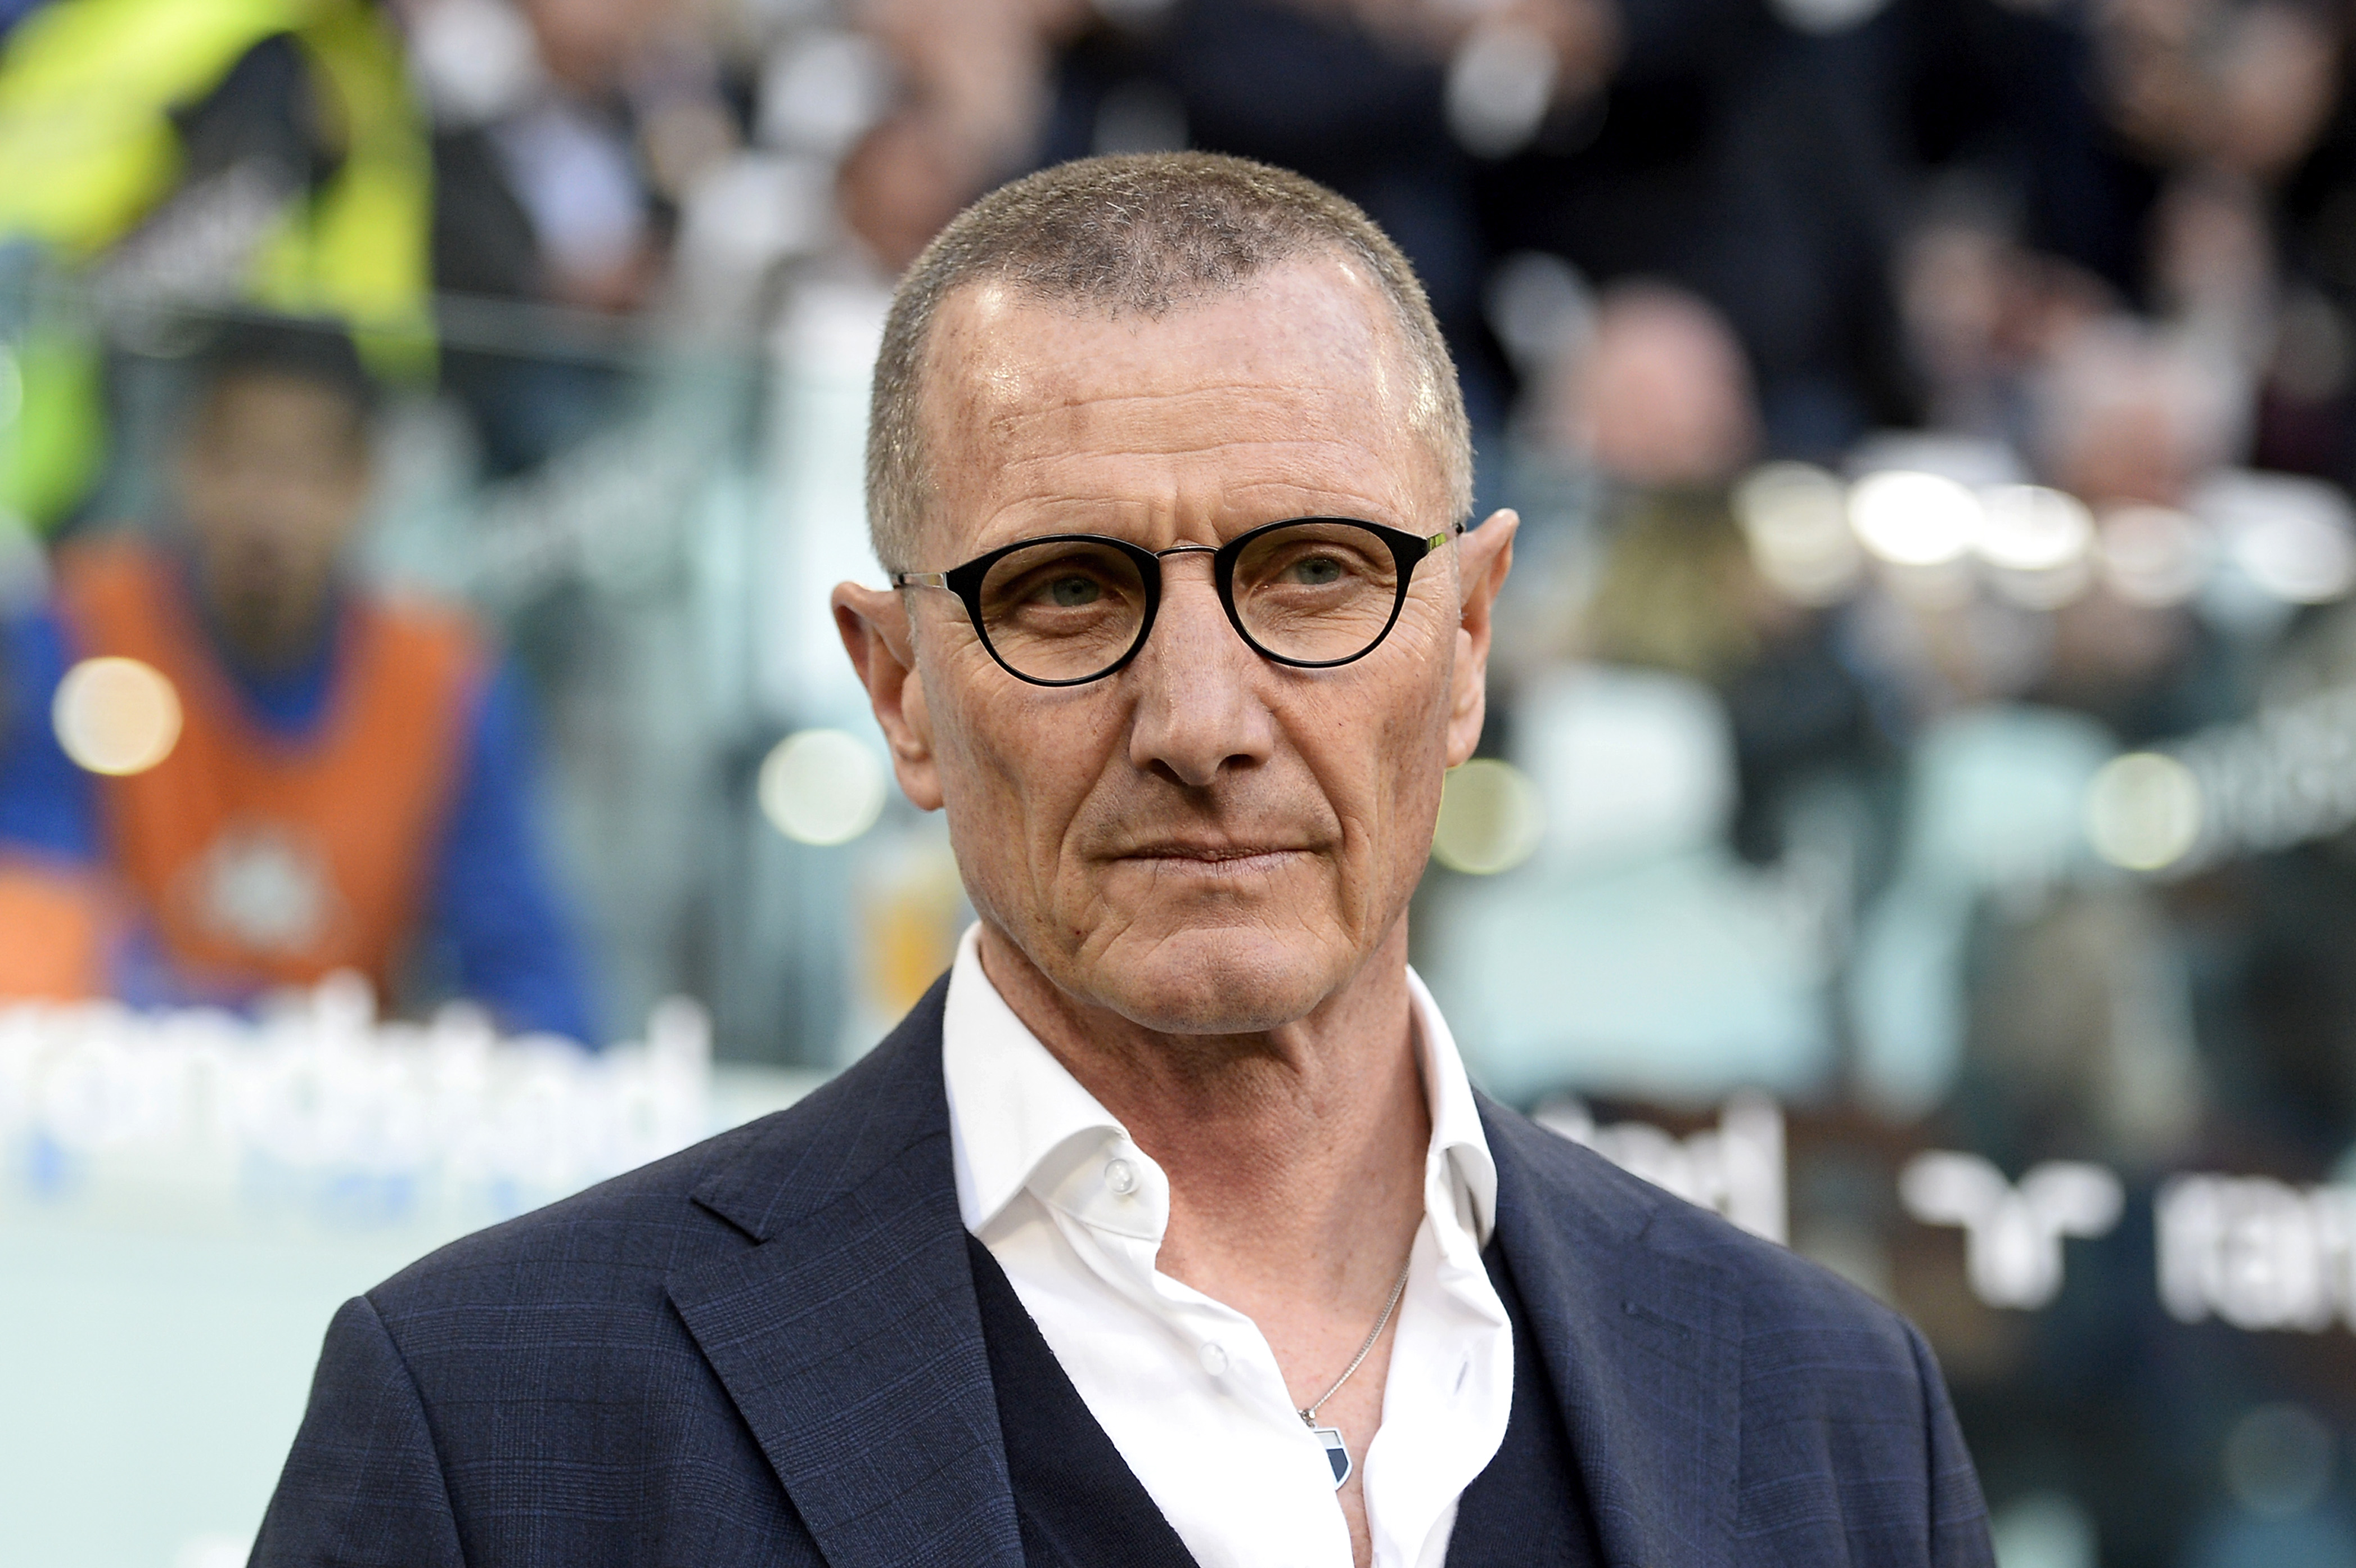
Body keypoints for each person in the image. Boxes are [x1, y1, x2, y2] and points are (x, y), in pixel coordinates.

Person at [251, 155, 1991, 1566]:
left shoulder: (1829, 1416)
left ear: (1465, 642)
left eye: (1311, 570)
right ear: (898, 690)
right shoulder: (499, 1422)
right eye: (1065, 592)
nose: (1200, 714)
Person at [0, 318, 593, 1041]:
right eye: (236, 458)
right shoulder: (74, 634)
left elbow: (535, 982)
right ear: (181, 460)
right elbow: (33, 930)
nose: (267, 507)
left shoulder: (448, 682)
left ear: (364, 483)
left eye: (307, 469)